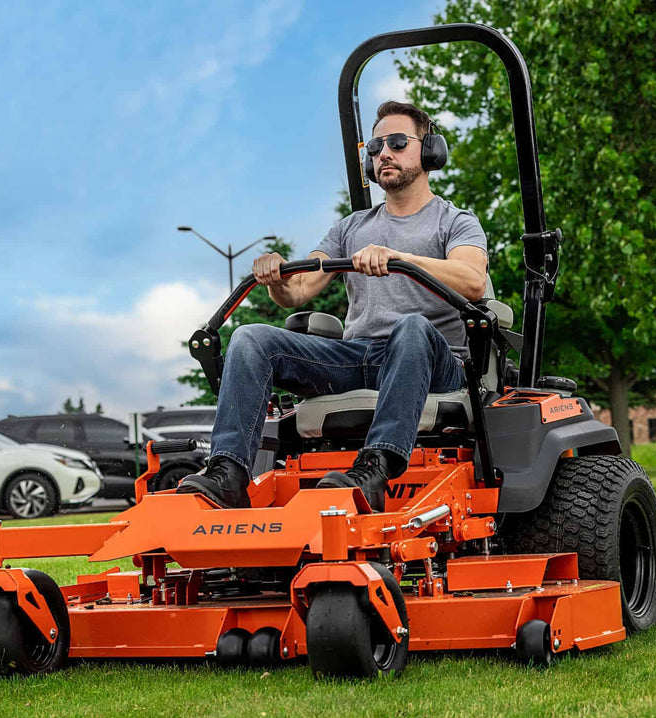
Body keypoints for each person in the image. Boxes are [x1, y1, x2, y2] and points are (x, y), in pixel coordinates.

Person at [177, 100, 489, 511]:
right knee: (251, 338)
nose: (384, 154)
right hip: (357, 357)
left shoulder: (454, 221)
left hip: (433, 361)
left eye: (397, 142)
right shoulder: (351, 227)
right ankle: (228, 472)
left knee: (410, 327)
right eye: (375, 147)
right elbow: (298, 291)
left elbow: (473, 281)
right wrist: (277, 277)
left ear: (430, 151)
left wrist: (399, 258)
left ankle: (374, 467)